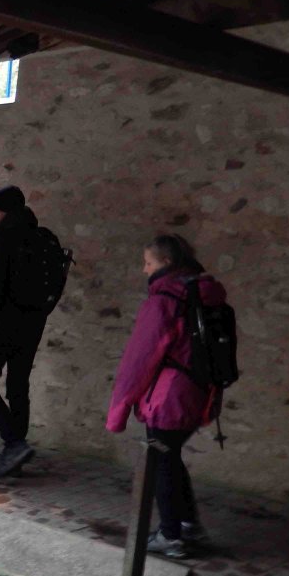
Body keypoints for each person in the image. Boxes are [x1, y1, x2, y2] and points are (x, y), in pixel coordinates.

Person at [107, 234, 223, 559]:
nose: (144, 270)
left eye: (148, 263)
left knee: (159, 461)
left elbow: (139, 360)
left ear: (166, 263)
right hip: (200, 391)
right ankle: (188, 525)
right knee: (170, 456)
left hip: (168, 397)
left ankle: (171, 536)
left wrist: (118, 410)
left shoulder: (164, 300)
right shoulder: (206, 294)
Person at [0, 185, 49, 477]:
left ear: (4, 211)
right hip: (33, 324)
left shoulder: (1, 240)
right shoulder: (40, 238)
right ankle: (16, 452)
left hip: (1, 326)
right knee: (18, 386)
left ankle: (14, 444)